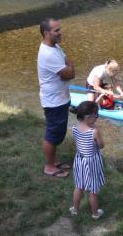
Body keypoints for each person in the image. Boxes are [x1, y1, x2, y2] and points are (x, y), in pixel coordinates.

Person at [37, 18, 75, 178]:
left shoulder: (54, 46)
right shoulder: (48, 54)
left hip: (59, 98)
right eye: (56, 31)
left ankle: (53, 161)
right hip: (54, 101)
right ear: (46, 33)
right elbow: (70, 73)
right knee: (53, 135)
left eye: (59, 29)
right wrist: (70, 67)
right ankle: (49, 167)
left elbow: (67, 66)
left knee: (57, 133)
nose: (60, 33)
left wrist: (68, 67)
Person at [69, 101, 105, 220]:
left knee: (79, 186)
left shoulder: (74, 128)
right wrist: (97, 133)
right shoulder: (94, 131)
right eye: (96, 115)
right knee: (92, 190)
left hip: (79, 160)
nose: (97, 118)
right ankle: (95, 214)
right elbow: (101, 146)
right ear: (88, 117)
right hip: (91, 162)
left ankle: (75, 209)